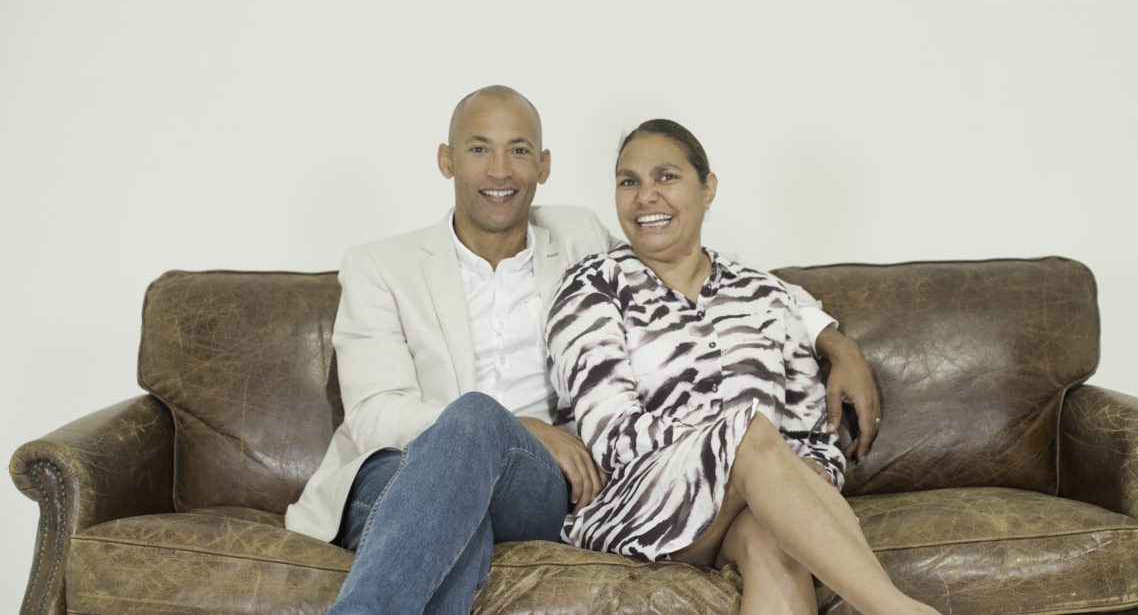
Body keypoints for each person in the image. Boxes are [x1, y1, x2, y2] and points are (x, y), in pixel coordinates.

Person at [284, 86, 881, 613]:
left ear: (543, 166)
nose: (500, 170)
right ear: (447, 160)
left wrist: (833, 340)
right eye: (479, 149)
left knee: (465, 512)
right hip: (403, 465)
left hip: (537, 481)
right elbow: (374, 413)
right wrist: (512, 425)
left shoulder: (578, 239)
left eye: (519, 150)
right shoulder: (381, 265)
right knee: (467, 463)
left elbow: (716, 273)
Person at [546, 119, 936, 614]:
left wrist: (801, 474)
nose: (645, 196)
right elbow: (611, 435)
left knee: (772, 538)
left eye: (666, 176)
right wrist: (737, 449)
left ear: (707, 188)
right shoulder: (593, 285)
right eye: (629, 181)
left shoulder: (766, 295)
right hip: (641, 504)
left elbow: (814, 434)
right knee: (751, 433)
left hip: (746, 505)